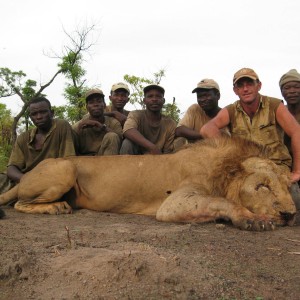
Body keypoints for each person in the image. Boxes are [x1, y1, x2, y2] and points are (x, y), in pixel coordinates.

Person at [200, 67, 300, 186]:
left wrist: (297, 171)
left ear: (259, 86)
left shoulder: (274, 105)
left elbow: (296, 132)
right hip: (246, 170)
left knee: (290, 198)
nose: (245, 89)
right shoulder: (231, 110)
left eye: (250, 84)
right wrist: (228, 153)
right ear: (235, 90)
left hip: (276, 167)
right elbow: (207, 129)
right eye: (240, 86)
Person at [0, 96, 76, 194]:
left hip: (52, 179)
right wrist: (25, 179)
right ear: (30, 117)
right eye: (34, 114)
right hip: (24, 180)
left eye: (43, 112)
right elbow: (12, 168)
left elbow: (69, 161)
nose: (39, 117)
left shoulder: (61, 126)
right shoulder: (23, 138)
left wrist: (38, 181)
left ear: (51, 113)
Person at [120, 84, 176, 155]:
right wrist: (152, 147)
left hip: (159, 159)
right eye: (150, 96)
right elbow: (128, 130)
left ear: (163, 100)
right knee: (127, 143)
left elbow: (168, 151)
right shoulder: (136, 114)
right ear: (144, 100)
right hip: (136, 158)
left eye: (158, 96)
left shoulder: (170, 123)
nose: (154, 99)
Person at [174, 78, 223, 148]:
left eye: (207, 95)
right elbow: (179, 130)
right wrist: (204, 135)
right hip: (195, 154)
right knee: (180, 141)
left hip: (219, 153)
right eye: (199, 96)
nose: (202, 100)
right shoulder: (195, 109)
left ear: (218, 96)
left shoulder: (226, 114)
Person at [72, 88, 122, 156]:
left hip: (105, 159)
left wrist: (102, 127)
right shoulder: (78, 125)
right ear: (87, 107)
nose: (95, 104)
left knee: (112, 136)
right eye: (91, 102)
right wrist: (78, 130)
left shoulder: (114, 123)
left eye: (99, 101)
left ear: (104, 105)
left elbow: (120, 141)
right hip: (84, 161)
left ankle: (108, 166)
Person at [279, 69, 300, 155]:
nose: (292, 91)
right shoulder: (278, 113)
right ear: (282, 92)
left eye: (297, 87)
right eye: (287, 88)